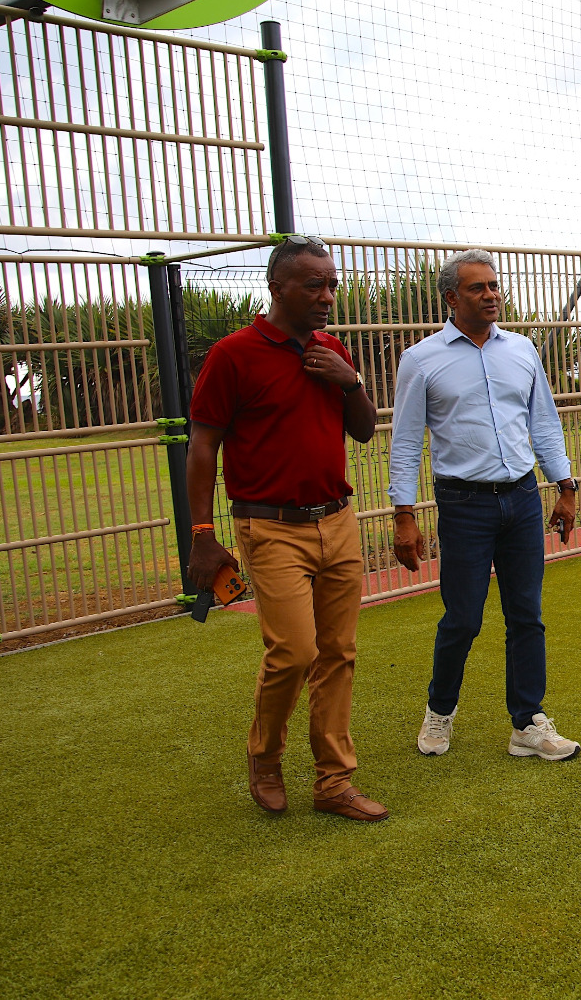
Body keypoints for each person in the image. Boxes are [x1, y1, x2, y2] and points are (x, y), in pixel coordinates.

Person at [186, 235, 388, 822]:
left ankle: (334, 781)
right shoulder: (234, 355)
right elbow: (202, 446)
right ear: (277, 288)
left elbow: (364, 431)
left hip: (338, 520)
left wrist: (349, 379)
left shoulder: (331, 349)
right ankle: (266, 756)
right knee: (294, 652)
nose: (327, 296)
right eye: (313, 285)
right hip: (270, 527)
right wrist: (202, 534)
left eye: (332, 284)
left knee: (338, 652)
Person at [389, 248, 581, 762]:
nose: (491, 294)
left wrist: (565, 486)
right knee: (463, 619)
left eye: (494, 285)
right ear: (451, 298)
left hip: (522, 498)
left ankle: (527, 722)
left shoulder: (521, 350)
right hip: (463, 504)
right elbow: (405, 442)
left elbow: (544, 423)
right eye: (477, 288)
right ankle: (440, 710)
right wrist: (404, 515)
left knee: (527, 615)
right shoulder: (422, 360)